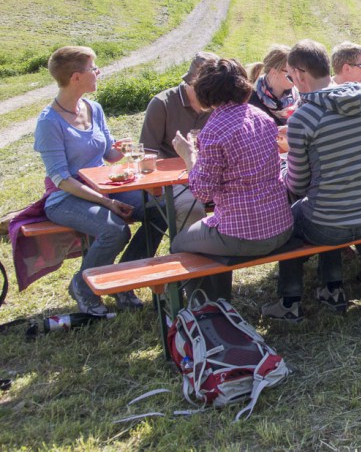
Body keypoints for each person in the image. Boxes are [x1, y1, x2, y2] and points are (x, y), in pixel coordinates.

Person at [261, 40, 361, 322]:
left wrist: (283, 171)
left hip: (330, 223)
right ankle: (333, 287)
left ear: (299, 74)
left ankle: (290, 301)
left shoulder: (305, 117)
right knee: (327, 201)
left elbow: (297, 185)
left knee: (290, 218)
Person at [34, 46, 148, 315]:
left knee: (159, 209)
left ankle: (124, 279)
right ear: (76, 77)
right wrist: (106, 203)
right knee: (115, 229)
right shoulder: (49, 122)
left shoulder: (93, 108)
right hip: (66, 197)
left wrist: (122, 149)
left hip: (103, 188)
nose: (99, 72)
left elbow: (108, 155)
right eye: (93, 68)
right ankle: (82, 286)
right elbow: (61, 179)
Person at [170, 58, 293, 300]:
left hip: (243, 236)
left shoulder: (214, 130)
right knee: (211, 230)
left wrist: (188, 156)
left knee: (179, 243)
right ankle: (218, 300)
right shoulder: (262, 117)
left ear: (205, 91)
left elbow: (202, 193)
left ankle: (203, 306)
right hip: (281, 225)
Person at [139, 51, 217, 236]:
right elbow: (147, 152)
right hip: (174, 179)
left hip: (212, 172)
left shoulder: (217, 104)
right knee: (192, 209)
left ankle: (222, 258)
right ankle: (190, 258)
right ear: (192, 83)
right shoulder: (162, 103)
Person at [247, 44, 296, 125]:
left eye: (298, 70)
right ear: (274, 72)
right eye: (291, 71)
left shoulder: (298, 96)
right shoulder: (251, 100)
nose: (297, 76)